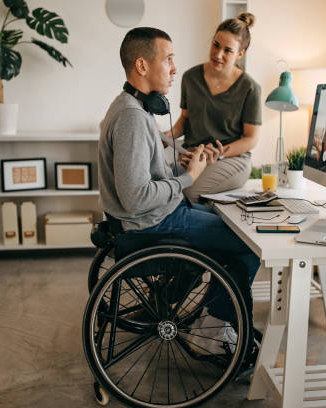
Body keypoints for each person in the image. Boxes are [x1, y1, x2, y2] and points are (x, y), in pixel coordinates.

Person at [98, 27, 260, 371]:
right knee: (249, 243)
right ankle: (211, 331)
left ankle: (214, 318)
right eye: (168, 59)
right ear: (142, 66)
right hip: (153, 224)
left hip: (158, 215)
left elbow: (143, 177)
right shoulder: (131, 117)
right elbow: (136, 197)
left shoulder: (132, 108)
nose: (174, 68)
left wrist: (179, 161)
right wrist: (189, 178)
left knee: (227, 226)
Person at [165, 12, 262, 202]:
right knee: (159, 183)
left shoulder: (250, 88)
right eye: (215, 45)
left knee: (188, 192)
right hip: (193, 156)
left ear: (240, 54)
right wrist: (165, 137)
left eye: (228, 50)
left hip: (232, 160)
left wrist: (221, 152)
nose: (218, 55)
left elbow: (251, 139)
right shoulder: (190, 78)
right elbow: (184, 120)